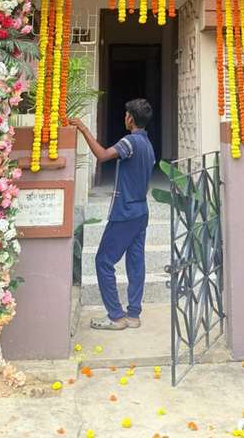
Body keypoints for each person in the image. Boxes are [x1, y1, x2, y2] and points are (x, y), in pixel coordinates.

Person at [70, 98, 156, 331]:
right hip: (140, 211)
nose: (124, 118)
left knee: (103, 261)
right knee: (135, 262)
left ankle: (116, 316)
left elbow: (103, 155)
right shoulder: (147, 144)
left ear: (130, 119)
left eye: (126, 114)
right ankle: (134, 315)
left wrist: (83, 128)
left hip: (125, 213)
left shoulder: (130, 142)